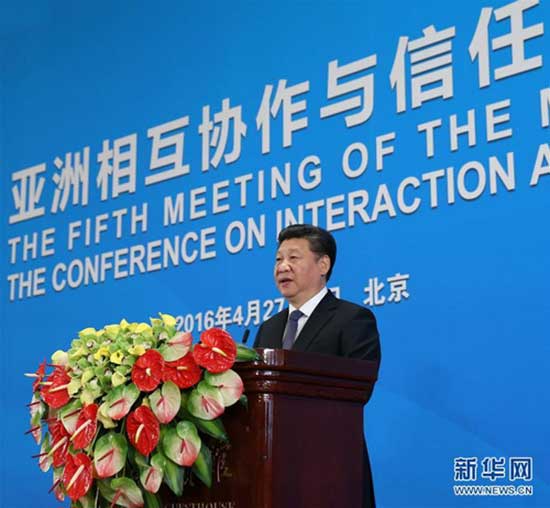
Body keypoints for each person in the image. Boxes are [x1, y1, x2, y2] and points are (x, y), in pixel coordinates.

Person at [253, 223, 381, 508]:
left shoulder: (353, 320)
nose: (282, 266)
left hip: (330, 467)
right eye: (278, 259)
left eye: (293, 258)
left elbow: (358, 393)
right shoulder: (268, 329)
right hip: (273, 469)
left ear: (323, 264)